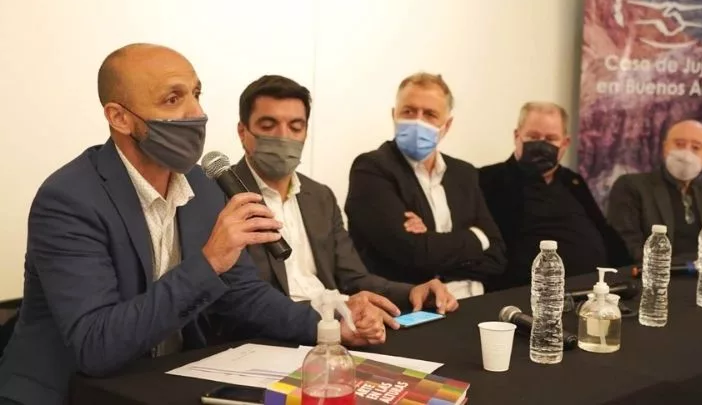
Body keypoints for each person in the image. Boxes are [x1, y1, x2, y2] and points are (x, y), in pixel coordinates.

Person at [0, 44, 382, 405]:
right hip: (73, 392)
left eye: (196, 94)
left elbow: (244, 295)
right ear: (120, 117)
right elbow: (96, 345)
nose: (196, 112)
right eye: (173, 99)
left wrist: (331, 326)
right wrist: (210, 261)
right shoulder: (70, 198)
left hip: (161, 381)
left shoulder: (201, 184)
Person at [232, 75, 459, 326]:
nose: (283, 137)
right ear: (243, 132)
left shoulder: (320, 197)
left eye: (295, 127)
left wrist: (412, 291)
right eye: (268, 126)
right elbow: (241, 298)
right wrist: (332, 314)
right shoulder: (221, 193)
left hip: (335, 326)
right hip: (276, 331)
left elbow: (354, 278)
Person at [344, 73, 506, 299]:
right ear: (394, 115)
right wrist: (476, 238)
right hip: (410, 306)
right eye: (408, 111)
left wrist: (430, 242)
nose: (418, 121)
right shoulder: (372, 169)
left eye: (430, 114)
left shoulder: (464, 173)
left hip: (473, 299)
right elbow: (413, 253)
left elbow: (497, 255)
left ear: (447, 125)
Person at [479, 102, 630, 288]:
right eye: (533, 137)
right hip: (527, 292)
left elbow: (603, 230)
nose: (542, 144)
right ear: (517, 136)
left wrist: (630, 270)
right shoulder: (487, 180)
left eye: (551, 139)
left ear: (565, 143)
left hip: (597, 290)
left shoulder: (573, 181)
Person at [607, 119, 702, 261]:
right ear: (665, 148)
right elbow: (625, 246)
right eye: (679, 144)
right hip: (656, 271)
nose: (686, 154)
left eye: (696, 147)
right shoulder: (632, 187)